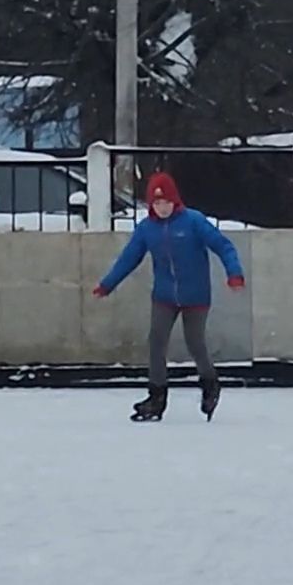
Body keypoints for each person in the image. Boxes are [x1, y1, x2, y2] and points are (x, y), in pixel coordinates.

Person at [92, 171, 246, 422]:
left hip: (195, 295)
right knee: (156, 342)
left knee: (195, 343)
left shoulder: (193, 221)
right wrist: (107, 285)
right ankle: (156, 397)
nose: (162, 208)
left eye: (166, 202)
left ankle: (210, 384)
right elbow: (129, 258)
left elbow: (223, 246)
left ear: (175, 201)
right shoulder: (146, 229)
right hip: (164, 296)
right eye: (157, 203)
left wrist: (234, 273)